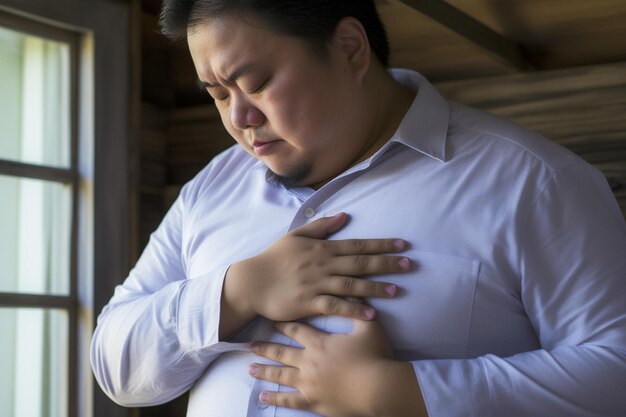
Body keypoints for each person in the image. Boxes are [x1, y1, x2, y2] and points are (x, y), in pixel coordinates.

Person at [90, 1, 626, 416]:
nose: (240, 118)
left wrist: (402, 394)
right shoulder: (212, 187)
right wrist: (237, 291)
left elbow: (616, 368)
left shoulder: (534, 182)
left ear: (349, 47)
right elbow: (117, 364)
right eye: (217, 94)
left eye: (255, 83)